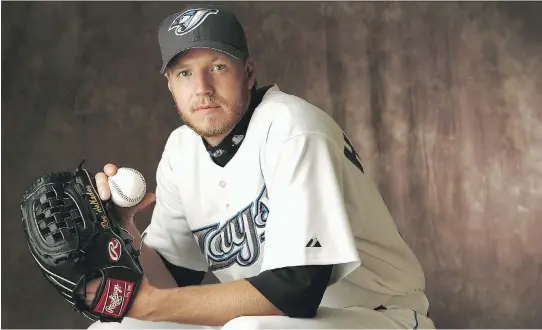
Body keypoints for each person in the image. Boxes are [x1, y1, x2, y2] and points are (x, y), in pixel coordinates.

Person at [87, 4, 435, 329]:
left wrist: (147, 305)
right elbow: (170, 282)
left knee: (247, 327)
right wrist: (122, 230)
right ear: (170, 86)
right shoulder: (181, 151)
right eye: (184, 73)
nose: (202, 88)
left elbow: (296, 290)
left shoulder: (291, 128)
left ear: (248, 72)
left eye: (217, 67)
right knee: (111, 327)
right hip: (276, 321)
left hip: (378, 315)